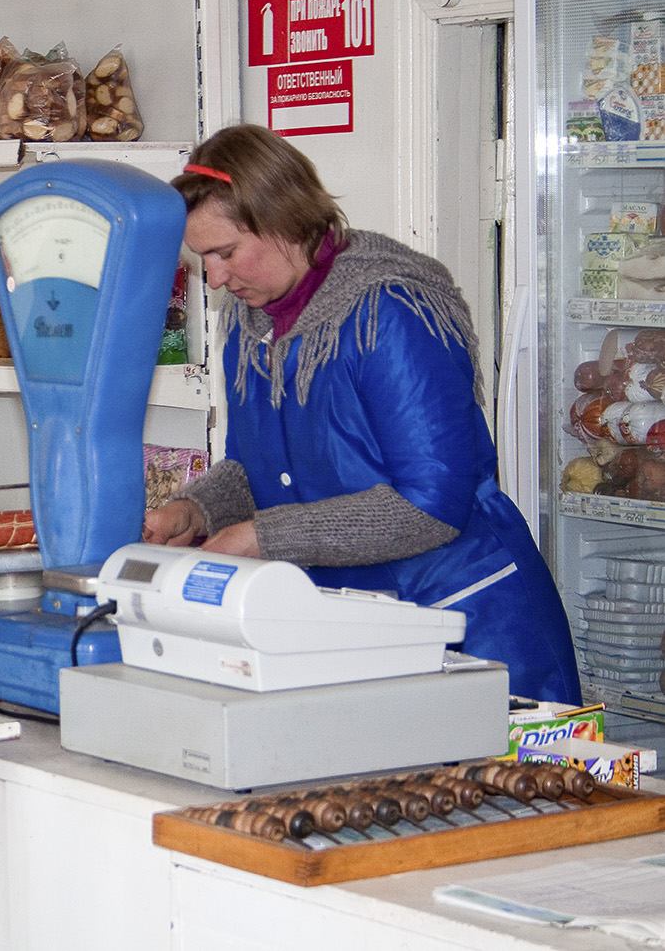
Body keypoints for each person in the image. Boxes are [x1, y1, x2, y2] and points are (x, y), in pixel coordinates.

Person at [144, 124, 582, 704]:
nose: (217, 278)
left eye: (225, 253)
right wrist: (196, 510)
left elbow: (430, 506)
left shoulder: (391, 312)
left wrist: (261, 538)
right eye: (203, 259)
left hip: (467, 627)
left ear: (284, 219)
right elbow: (257, 469)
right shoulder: (250, 327)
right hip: (351, 628)